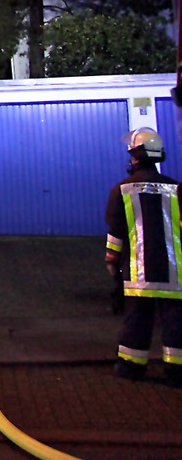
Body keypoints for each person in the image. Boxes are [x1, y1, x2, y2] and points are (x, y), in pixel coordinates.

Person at [104, 127, 182, 386]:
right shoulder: (177, 189)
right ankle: (176, 372)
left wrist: (111, 261)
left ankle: (131, 367)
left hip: (139, 273)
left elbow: (116, 232)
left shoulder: (122, 189)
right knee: (175, 322)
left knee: (137, 320)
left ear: (136, 157)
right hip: (175, 273)